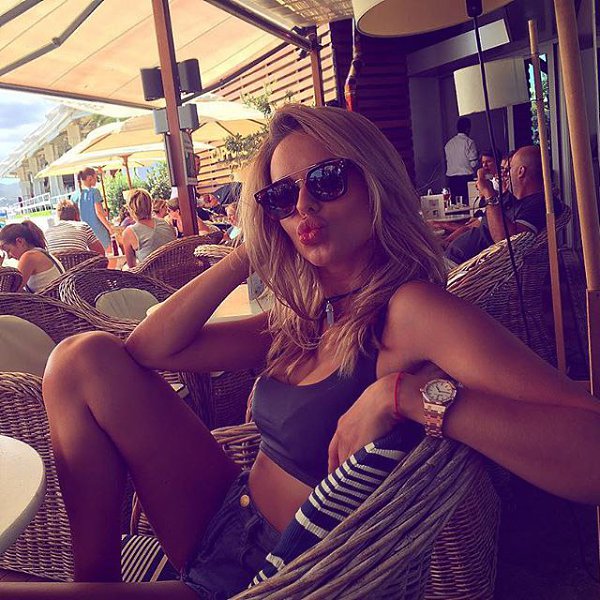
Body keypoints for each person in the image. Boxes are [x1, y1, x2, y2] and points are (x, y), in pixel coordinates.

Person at [5, 105, 600, 599]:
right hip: (221, 515)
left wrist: (410, 394)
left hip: (267, 576)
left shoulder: (413, 310)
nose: (303, 208)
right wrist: (249, 249)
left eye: (327, 181)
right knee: (79, 360)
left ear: (375, 184)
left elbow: (589, 450)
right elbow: (147, 348)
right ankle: (96, 583)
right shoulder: (310, 317)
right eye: (282, 196)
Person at [445, 146, 563, 265]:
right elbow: (476, 226)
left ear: (521, 171)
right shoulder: (511, 198)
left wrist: (488, 193)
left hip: (465, 267)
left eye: (509, 169)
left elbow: (507, 243)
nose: (504, 174)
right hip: (452, 257)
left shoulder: (540, 203)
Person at [0, 221, 64, 292]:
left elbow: (10, 292)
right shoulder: (39, 252)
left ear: (20, 241)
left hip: (48, 299)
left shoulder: (29, 257)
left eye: (8, 250)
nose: (9, 257)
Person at [121, 189, 177, 268]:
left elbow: (132, 267)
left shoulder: (129, 233)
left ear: (131, 209)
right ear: (150, 205)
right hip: (176, 270)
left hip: (152, 275)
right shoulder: (165, 223)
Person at [71, 167, 113, 252]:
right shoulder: (94, 192)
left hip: (85, 232)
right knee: (108, 254)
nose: (96, 180)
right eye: (96, 177)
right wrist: (110, 228)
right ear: (90, 178)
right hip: (98, 230)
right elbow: (99, 212)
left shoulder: (74, 196)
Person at [444, 117, 478, 201]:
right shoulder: (469, 142)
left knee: (454, 205)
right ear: (468, 129)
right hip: (465, 179)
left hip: (451, 180)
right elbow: (473, 164)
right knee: (467, 204)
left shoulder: (448, 144)